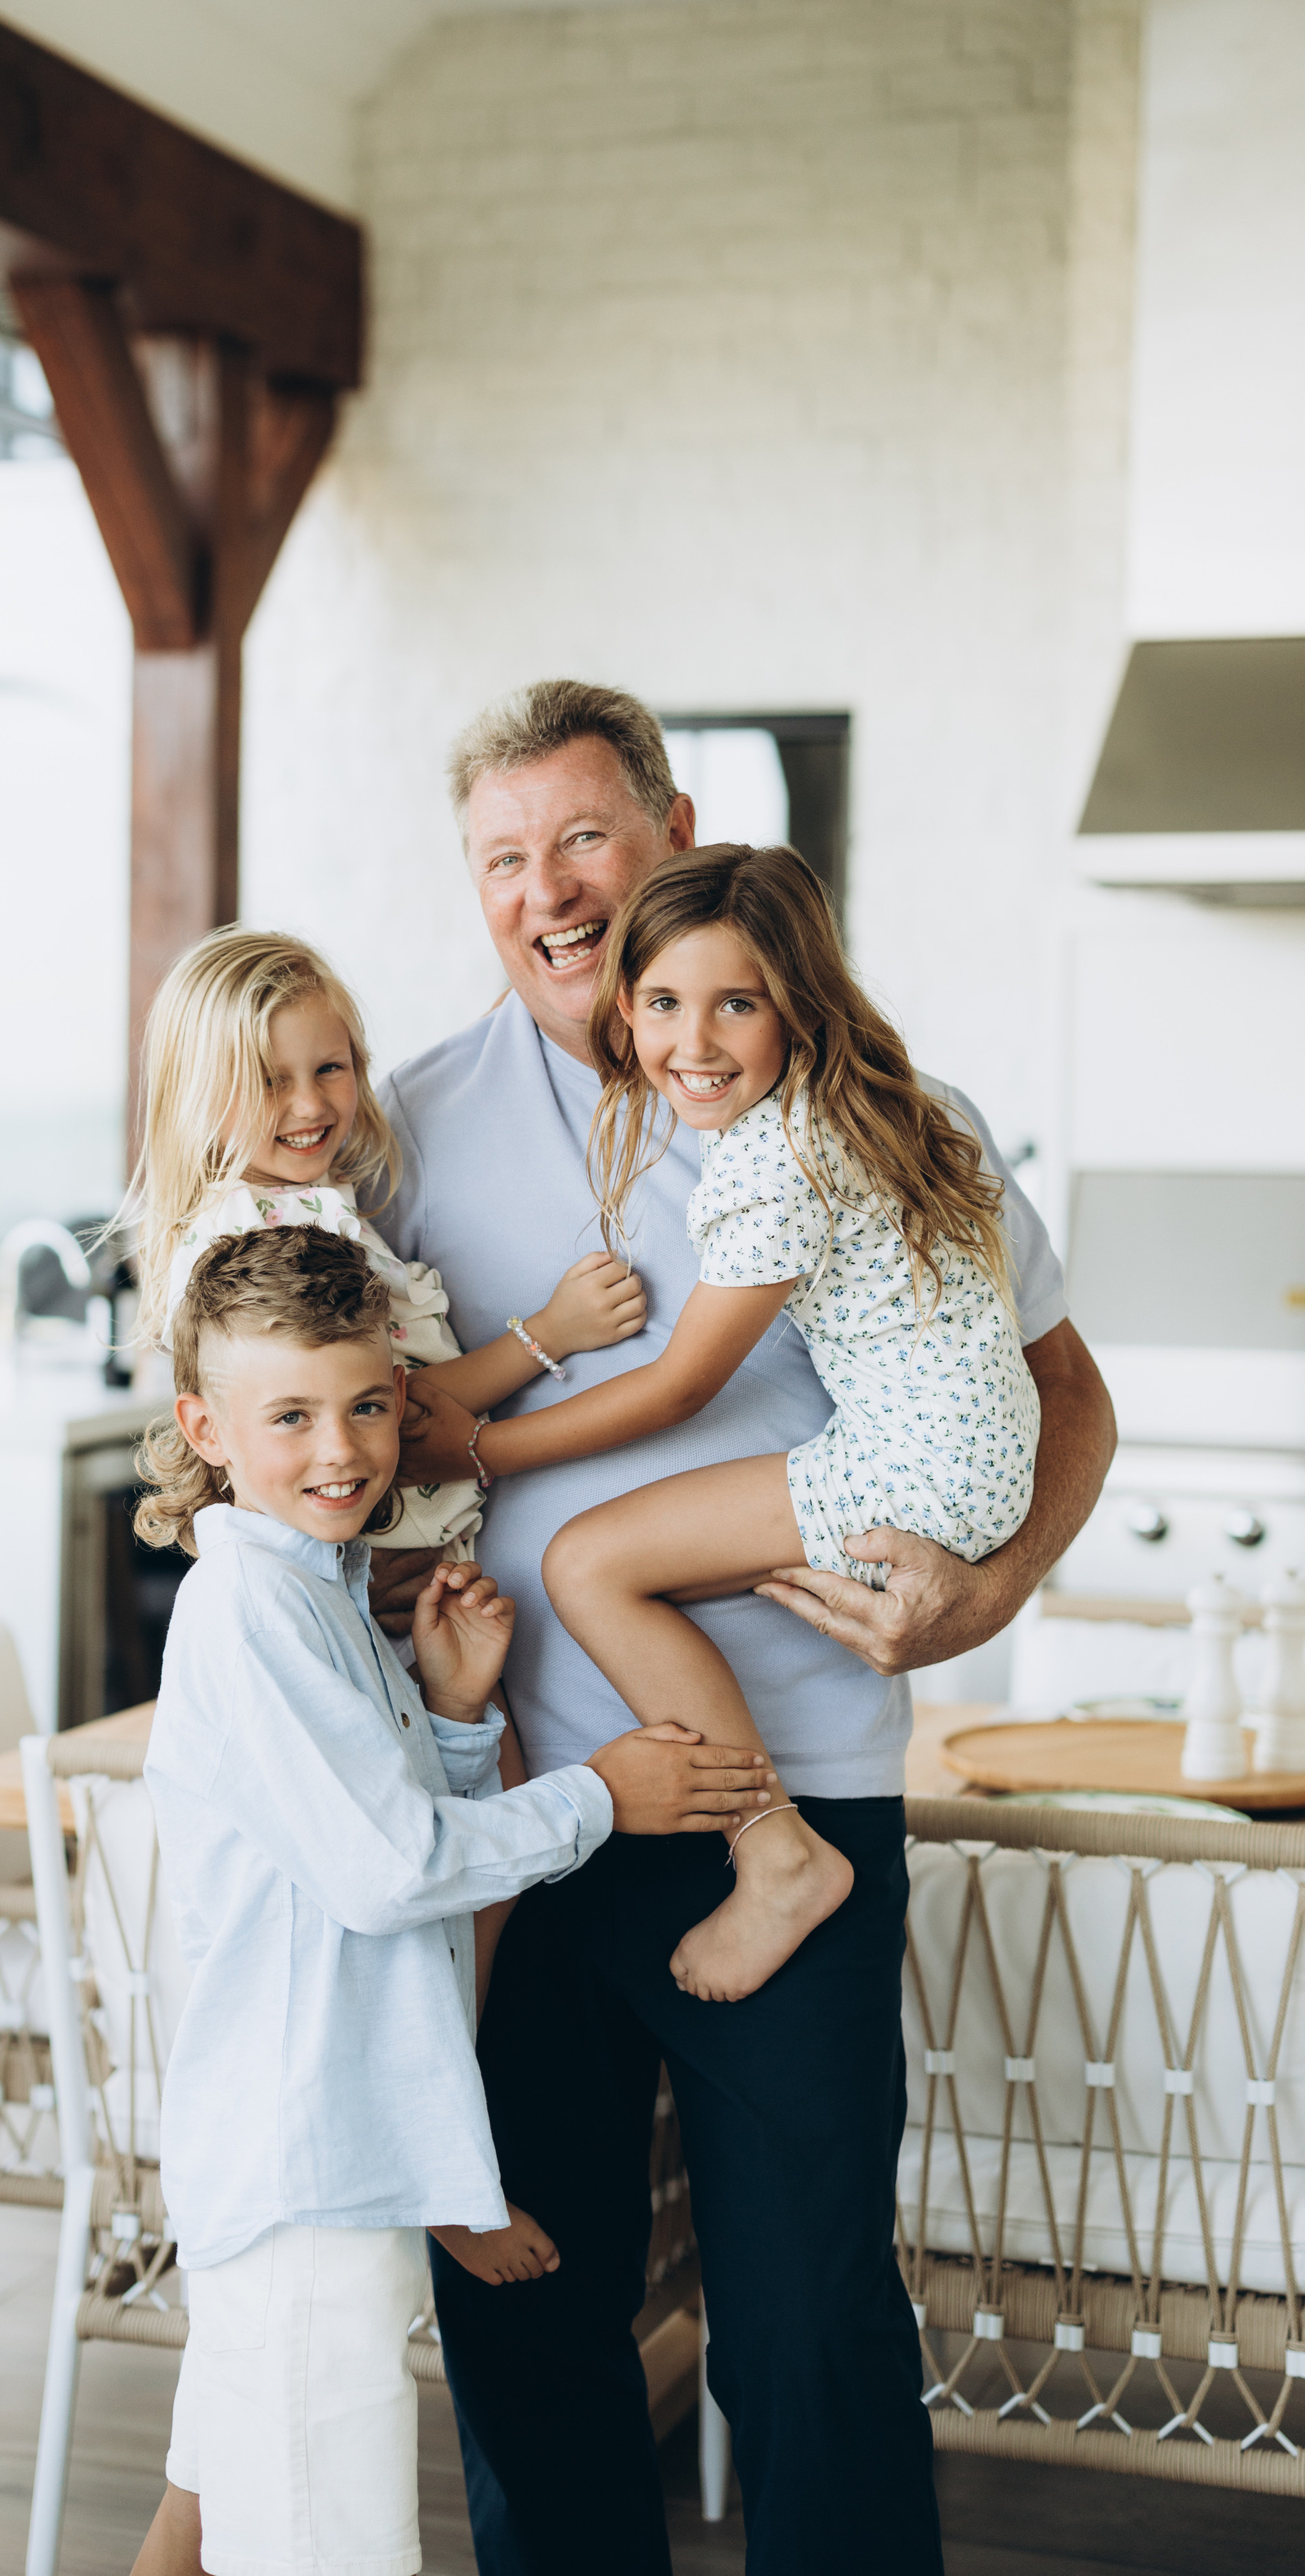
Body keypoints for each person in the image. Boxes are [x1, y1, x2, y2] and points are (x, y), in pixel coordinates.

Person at [368, 680, 1116, 2576]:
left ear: (675, 833)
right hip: (519, 1812)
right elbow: (322, 1414)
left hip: (792, 1799)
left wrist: (992, 1588)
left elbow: (1068, 1396)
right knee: (530, 2314)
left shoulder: (875, 1111)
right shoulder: (405, 1130)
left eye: (583, 839)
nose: (548, 891)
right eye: (502, 859)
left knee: (803, 2327)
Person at [126, 1226, 770, 2576]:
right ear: (206, 1429)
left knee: (215, 2515)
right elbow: (391, 1873)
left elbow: (375, 1837)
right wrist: (602, 1797)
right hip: (306, 2171)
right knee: (327, 2546)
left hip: (310, 2156)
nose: (341, 1450)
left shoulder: (315, 1594)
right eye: (291, 1417)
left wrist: (460, 1716)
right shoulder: (252, 1611)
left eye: (369, 1407)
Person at [399, 841, 1039, 2006]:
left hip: (916, 1474)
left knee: (590, 1563)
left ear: (797, 1005)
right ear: (625, 1008)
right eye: (662, 1004)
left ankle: (776, 1852)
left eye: (735, 1004)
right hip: (965, 1454)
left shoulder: (773, 1160)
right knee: (636, 1561)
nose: (693, 1043)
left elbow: (681, 1387)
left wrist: (480, 1449)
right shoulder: (867, 1108)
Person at [128, 923, 648, 1565]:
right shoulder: (257, 1241)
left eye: (330, 1068)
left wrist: (528, 1000)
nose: (309, 1105)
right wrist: (550, 1333)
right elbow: (390, 1406)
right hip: (379, 1560)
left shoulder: (309, 1199)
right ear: (197, 1095)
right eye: (269, 1081)